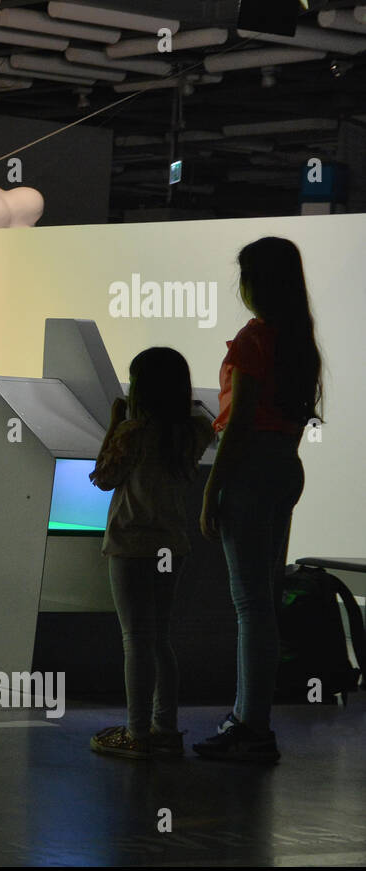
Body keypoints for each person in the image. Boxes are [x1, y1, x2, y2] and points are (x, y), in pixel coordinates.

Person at [195, 237, 323, 763]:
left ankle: (250, 724)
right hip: (284, 468)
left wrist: (211, 490)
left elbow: (241, 422)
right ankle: (252, 720)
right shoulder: (300, 341)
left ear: (257, 283)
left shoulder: (253, 340)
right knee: (263, 603)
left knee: (250, 607)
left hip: (248, 472)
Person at [88, 348, 215, 759]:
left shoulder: (133, 433)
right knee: (161, 638)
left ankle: (136, 732)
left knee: (135, 639)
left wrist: (114, 424)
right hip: (171, 546)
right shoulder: (193, 431)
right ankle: (166, 728)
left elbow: (102, 477)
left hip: (130, 545)